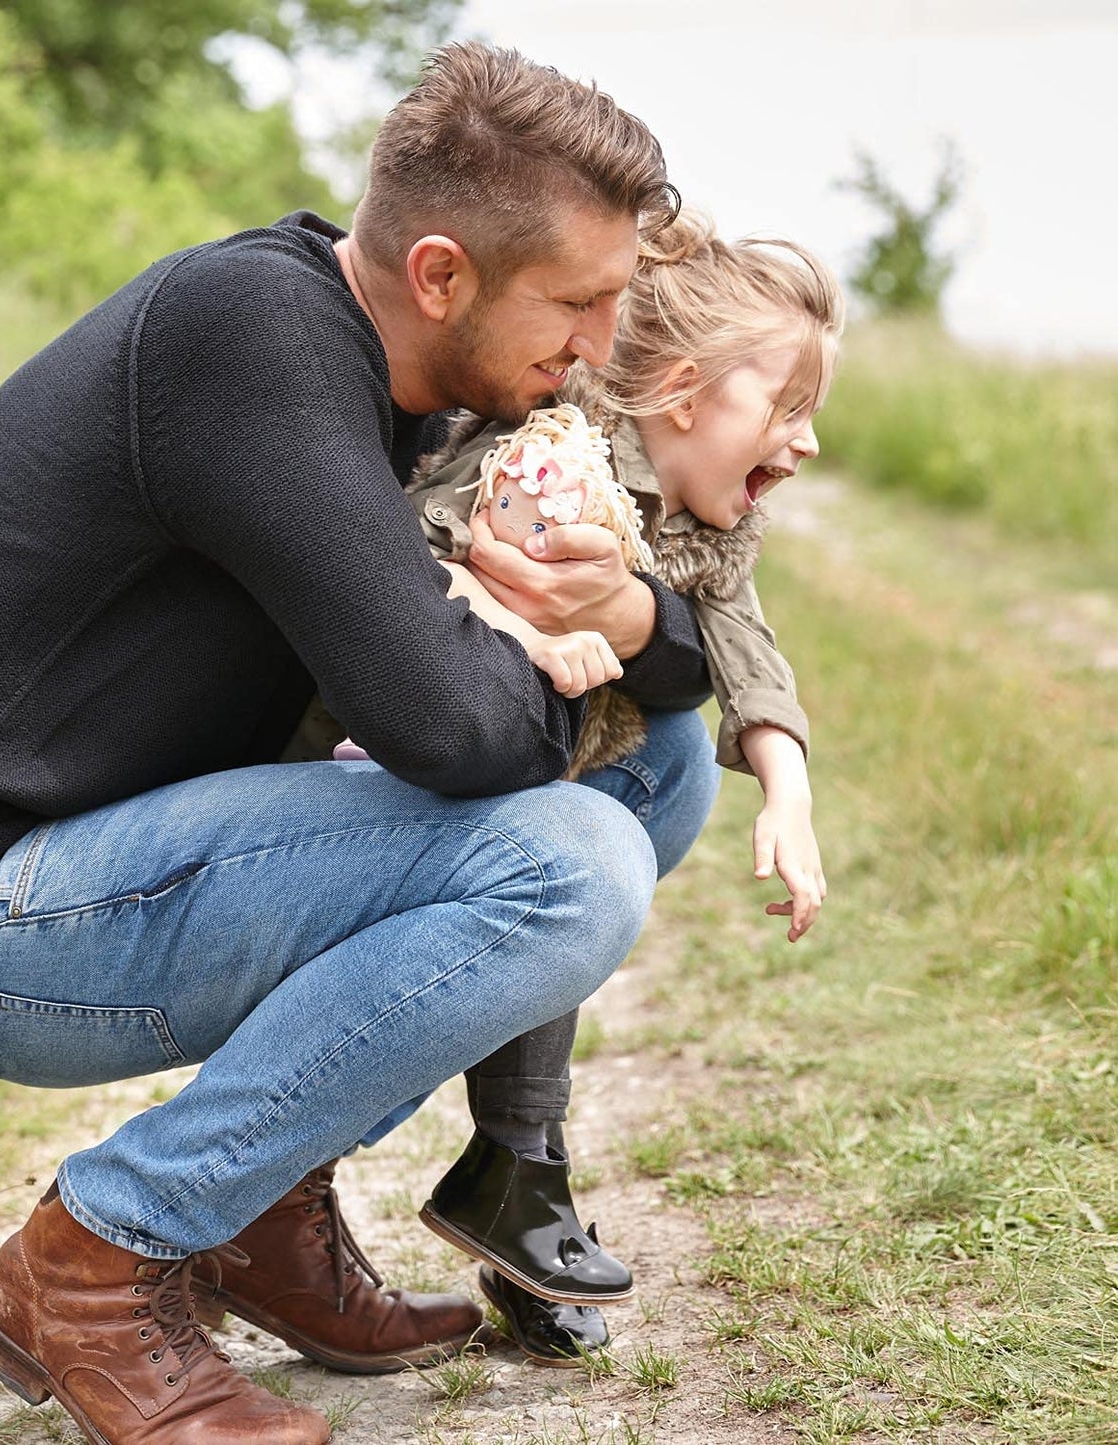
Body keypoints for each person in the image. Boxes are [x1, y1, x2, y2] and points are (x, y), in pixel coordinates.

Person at [0, 42, 721, 1445]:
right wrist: (567, 642)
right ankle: (102, 1256)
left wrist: (612, 611)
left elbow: (673, 675)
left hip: (142, 868)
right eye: (578, 304)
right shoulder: (250, 335)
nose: (598, 352)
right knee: (573, 858)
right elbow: (448, 727)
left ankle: (262, 1211)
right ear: (440, 275)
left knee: (656, 767)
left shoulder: (431, 387)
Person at [398, 210, 842, 1363]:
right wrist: (516, 624)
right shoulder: (558, 450)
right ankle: (489, 1184)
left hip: (509, 768)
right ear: (685, 394)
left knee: (604, 811)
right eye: (785, 409)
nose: (802, 446)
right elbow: (423, 543)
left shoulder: (703, 522)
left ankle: (520, 1175)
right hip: (379, 756)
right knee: (567, 851)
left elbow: (740, 640)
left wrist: (785, 793)